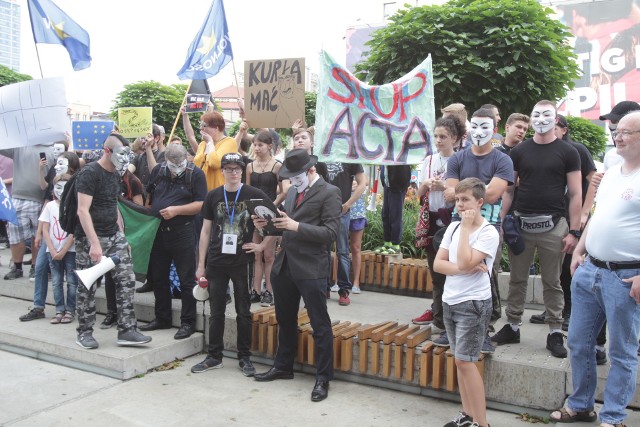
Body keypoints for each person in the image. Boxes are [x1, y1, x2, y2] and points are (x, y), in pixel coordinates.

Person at [549, 110, 640, 427]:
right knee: (578, 341)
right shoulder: (613, 171)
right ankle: (581, 404)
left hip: (626, 276)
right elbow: (598, 215)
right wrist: (580, 249)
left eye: (627, 131)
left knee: (623, 352)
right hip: (590, 270)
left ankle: (613, 417)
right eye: (617, 130)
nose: (618, 134)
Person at [495, 100, 582, 358]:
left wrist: (574, 231)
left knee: (552, 282)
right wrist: (502, 221)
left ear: (556, 119)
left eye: (547, 114)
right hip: (521, 224)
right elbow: (509, 190)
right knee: (517, 279)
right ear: (532, 119)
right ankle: (512, 325)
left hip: (555, 226)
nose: (541, 119)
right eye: (537, 114)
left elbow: (576, 194)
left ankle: (555, 331)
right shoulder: (519, 152)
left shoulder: (569, 152)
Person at [253, 149, 341, 403]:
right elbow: (285, 224)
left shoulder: (330, 192)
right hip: (285, 265)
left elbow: (330, 234)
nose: (292, 181)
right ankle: (283, 366)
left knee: (319, 323)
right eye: (290, 177)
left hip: (312, 267)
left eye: (296, 176)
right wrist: (268, 224)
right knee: (285, 319)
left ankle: (323, 377)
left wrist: (296, 226)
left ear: (311, 170)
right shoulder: (292, 191)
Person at [438, 108, 514, 353]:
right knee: (454, 270)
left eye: (486, 127)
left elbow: (493, 195)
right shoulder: (458, 158)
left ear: (494, 130)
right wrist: (477, 191)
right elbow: (450, 194)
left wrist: (464, 190)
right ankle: (449, 324)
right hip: (457, 224)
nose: (479, 132)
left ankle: (484, 331)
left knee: (486, 278)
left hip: (489, 226)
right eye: (476, 126)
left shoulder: (502, 159)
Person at [190, 153, 271, 376]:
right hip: (216, 260)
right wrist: (200, 264)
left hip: (242, 260)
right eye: (229, 168)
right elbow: (205, 231)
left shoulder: (254, 195)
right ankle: (214, 355)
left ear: (243, 171)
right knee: (216, 310)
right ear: (222, 170)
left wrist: (262, 246)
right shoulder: (213, 195)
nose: (233, 172)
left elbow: (275, 222)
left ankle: (244, 357)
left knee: (243, 311)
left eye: (237, 168)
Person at [74, 133, 151, 349]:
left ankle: (127, 330)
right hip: (90, 238)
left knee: (126, 281)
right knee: (87, 285)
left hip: (113, 235)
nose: (124, 158)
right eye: (120, 153)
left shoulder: (115, 173)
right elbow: (82, 210)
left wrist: (121, 235)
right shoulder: (90, 173)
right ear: (107, 151)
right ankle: (84, 332)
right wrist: (95, 243)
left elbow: (113, 204)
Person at [434, 178, 499, 427]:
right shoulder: (452, 228)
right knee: (460, 360)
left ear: (480, 202)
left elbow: (461, 260)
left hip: (473, 304)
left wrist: (465, 230)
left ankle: (481, 423)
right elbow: (439, 264)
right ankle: (467, 414)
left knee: (466, 361)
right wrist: (464, 268)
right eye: (458, 200)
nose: (460, 205)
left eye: (466, 200)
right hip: (450, 300)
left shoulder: (487, 232)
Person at [140, 144, 207, 340]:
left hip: (183, 231)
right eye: (173, 164)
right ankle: (162, 317)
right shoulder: (158, 171)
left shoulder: (196, 174)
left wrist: (176, 210)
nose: (177, 167)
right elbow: (149, 196)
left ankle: (188, 322)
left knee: (186, 279)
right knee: (159, 277)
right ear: (166, 160)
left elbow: (201, 204)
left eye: (180, 163)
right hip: (159, 231)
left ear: (186, 157)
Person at [412, 117, 463, 328]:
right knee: (436, 272)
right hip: (432, 221)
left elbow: (463, 191)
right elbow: (417, 195)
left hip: (453, 220)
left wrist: (444, 187)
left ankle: (453, 318)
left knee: (455, 272)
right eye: (436, 136)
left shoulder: (461, 160)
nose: (438, 140)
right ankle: (439, 319)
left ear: (453, 138)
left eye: (443, 137)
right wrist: (425, 184)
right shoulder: (429, 160)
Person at [19, 152, 81, 322]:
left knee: (70, 277)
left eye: (63, 162)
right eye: (58, 161)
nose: (58, 164)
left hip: (68, 243)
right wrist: (39, 232)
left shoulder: (74, 182)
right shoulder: (54, 181)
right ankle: (39, 307)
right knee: (40, 268)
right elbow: (47, 207)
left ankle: (69, 309)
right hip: (51, 239)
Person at [0, 144, 54, 280]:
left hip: (40, 198)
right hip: (18, 197)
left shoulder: (52, 148)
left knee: (37, 236)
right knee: (15, 234)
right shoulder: (19, 146)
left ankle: (36, 267)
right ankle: (17, 267)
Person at [100, 164, 145, 329]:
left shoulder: (133, 181)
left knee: (124, 277)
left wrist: (121, 203)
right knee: (109, 275)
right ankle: (111, 312)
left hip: (127, 235)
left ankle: (125, 316)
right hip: (107, 232)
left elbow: (138, 209)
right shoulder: (103, 178)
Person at [246, 130, 282, 306]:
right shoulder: (249, 166)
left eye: (260, 144)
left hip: (271, 214)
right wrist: (252, 210)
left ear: (270, 146)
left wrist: (272, 207)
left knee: (268, 255)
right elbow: (246, 190)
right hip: (254, 215)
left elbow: (284, 191)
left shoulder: (277, 166)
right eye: (255, 144)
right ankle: (255, 290)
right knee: (256, 254)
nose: (257, 148)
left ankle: (269, 290)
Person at [326, 160, 367, 306]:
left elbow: (363, 182)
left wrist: (348, 204)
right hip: (323, 209)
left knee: (342, 251)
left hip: (342, 210)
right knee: (323, 249)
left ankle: (343, 290)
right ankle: (325, 287)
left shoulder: (351, 156)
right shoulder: (321, 153)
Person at [40, 174, 77, 325]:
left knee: (72, 281)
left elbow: (74, 232)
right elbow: (45, 229)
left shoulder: (73, 206)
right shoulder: (49, 206)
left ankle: (70, 310)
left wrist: (63, 251)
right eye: (58, 187)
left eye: (65, 187)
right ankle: (59, 310)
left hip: (70, 251)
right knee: (56, 282)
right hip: (52, 252)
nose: (61, 191)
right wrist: (52, 250)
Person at [182, 109, 237, 191]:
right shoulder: (202, 144)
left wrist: (210, 143)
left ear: (216, 128)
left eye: (204, 125)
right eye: (200, 125)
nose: (201, 128)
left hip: (218, 193)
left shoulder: (229, 142)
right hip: (200, 193)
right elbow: (196, 165)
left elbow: (214, 163)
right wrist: (185, 115)